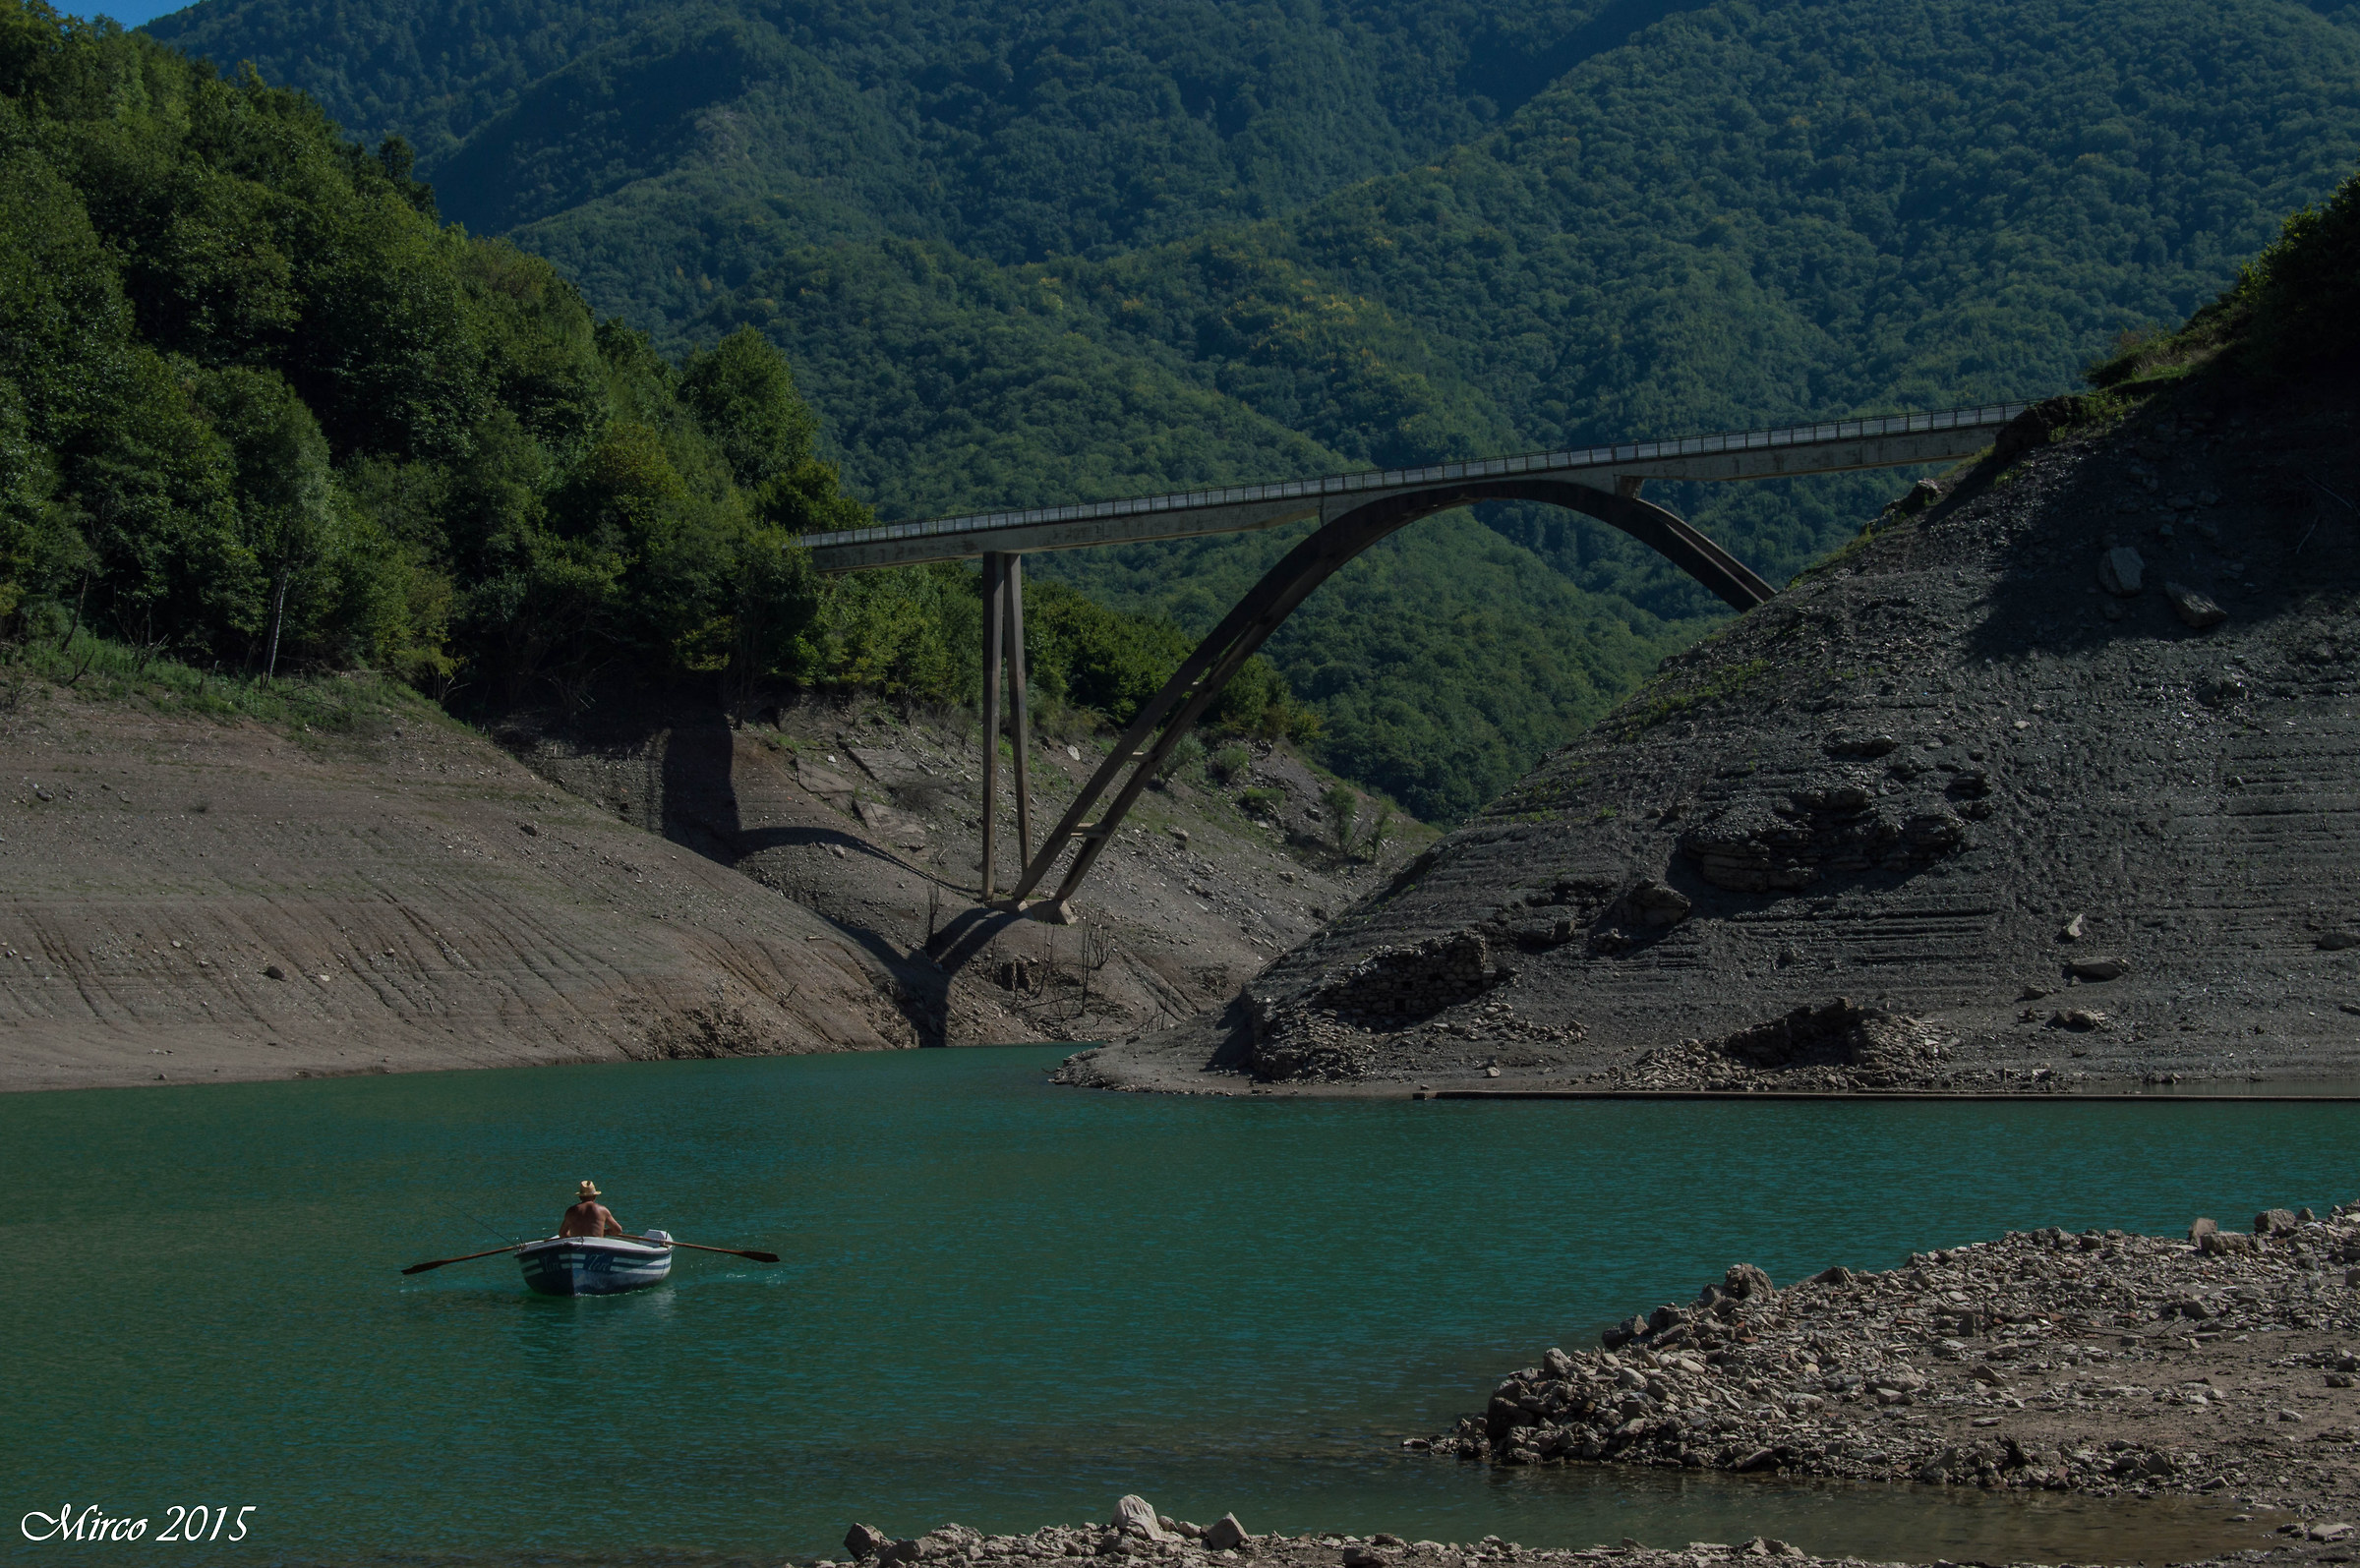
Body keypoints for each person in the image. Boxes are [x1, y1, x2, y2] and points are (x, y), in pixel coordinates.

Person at [559, 1180, 630, 1239]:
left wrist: (572, 1238)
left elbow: (562, 1233)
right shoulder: (602, 1210)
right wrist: (605, 1232)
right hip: (596, 1245)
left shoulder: (571, 1211)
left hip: (577, 1245)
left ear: (580, 1197)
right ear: (595, 1196)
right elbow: (618, 1230)